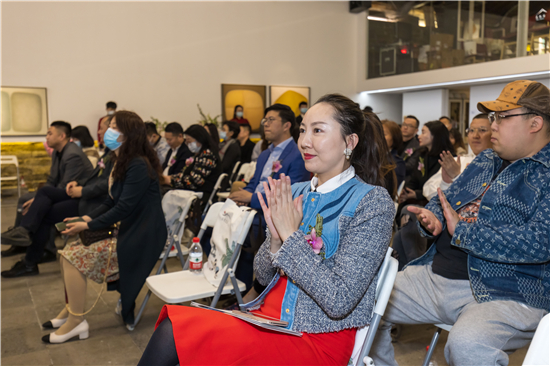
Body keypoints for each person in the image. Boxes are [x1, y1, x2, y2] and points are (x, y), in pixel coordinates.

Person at [137, 93, 395, 366]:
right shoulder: (295, 191)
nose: (305, 141)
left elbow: (340, 300)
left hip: (314, 338)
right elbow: (262, 274)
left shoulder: (372, 202)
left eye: (318, 130)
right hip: (268, 319)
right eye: (303, 130)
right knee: (176, 328)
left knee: (175, 332)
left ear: (350, 142)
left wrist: (290, 236)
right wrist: (274, 240)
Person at [371, 80, 550, 366]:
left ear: (535, 123)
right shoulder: (486, 160)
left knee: (468, 345)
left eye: (502, 118)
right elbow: (446, 198)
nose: (492, 126)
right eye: (494, 118)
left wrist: (464, 232)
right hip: (436, 277)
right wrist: (433, 219)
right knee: (362, 298)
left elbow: (541, 242)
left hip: (506, 293)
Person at [41, 111, 167, 343]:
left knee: (73, 257)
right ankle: (71, 309)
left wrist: (87, 225)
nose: (106, 131)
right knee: (67, 251)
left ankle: (76, 321)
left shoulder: (138, 165)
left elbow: (123, 209)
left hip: (142, 233)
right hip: (127, 226)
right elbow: (111, 200)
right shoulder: (120, 160)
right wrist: (86, 220)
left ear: (128, 134)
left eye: (114, 127)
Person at [228, 103, 310, 291]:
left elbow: (291, 191)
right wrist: (242, 195)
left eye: (271, 120)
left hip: (272, 214)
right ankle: (237, 287)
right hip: (253, 208)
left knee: (241, 235)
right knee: (219, 221)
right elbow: (254, 183)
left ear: (287, 125)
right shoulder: (265, 154)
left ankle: (245, 290)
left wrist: (252, 199)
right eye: (265, 120)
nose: (265, 124)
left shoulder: (297, 154)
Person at [1, 122, 94, 258]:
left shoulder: (72, 154)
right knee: (24, 199)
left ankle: (40, 247)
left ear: (62, 136)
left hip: (77, 197)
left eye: (50, 134)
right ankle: (20, 241)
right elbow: (52, 179)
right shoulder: (58, 152)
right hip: (62, 192)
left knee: (42, 206)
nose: (46, 137)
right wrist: (38, 198)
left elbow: (65, 186)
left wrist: (38, 199)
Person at [423, 114, 493, 201]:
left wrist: (457, 177)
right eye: (471, 130)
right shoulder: (458, 161)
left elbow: (482, 199)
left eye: (482, 130)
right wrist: (446, 183)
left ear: (495, 133)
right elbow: (428, 190)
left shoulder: (500, 164)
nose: (475, 135)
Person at [399, 121, 454, 207]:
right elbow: (414, 177)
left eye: (423, 132)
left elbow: (442, 186)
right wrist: (406, 191)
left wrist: (418, 194)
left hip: (437, 202)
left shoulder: (447, 158)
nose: (419, 136)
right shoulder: (422, 154)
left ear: (435, 135)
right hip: (419, 198)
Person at [163, 124, 221, 202]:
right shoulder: (199, 154)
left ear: (199, 140)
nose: (187, 145)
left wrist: (172, 180)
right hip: (195, 192)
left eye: (189, 141)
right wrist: (171, 178)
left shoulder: (207, 154)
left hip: (202, 195)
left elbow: (196, 180)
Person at [382, 119, 406, 191]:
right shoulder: (370, 157)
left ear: (394, 137)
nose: (379, 137)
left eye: (384, 134)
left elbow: (391, 189)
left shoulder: (397, 162)